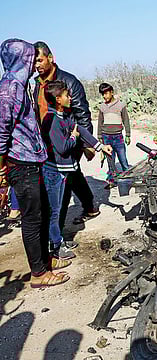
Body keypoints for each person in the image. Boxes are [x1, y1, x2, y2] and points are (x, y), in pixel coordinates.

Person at [0, 38, 70, 288]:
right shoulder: (8, 90)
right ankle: (38, 273)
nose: (33, 62)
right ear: (20, 59)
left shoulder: (21, 85)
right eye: (30, 57)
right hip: (21, 162)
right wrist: (1, 173)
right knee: (32, 218)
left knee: (42, 214)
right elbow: (1, 133)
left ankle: (46, 260)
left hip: (33, 160)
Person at [41, 80, 113, 260]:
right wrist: (74, 138)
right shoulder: (51, 120)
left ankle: (60, 240)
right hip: (54, 172)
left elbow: (80, 129)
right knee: (54, 210)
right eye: (66, 95)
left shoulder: (63, 116)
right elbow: (63, 147)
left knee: (61, 207)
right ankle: (55, 247)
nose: (70, 98)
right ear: (58, 99)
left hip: (65, 171)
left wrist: (100, 147)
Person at [33, 41, 99, 235]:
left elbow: (82, 114)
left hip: (68, 142)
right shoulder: (37, 84)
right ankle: (90, 207)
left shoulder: (69, 82)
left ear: (51, 58)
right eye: (34, 62)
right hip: (47, 143)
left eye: (39, 60)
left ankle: (58, 236)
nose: (37, 65)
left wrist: (88, 145)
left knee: (62, 184)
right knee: (73, 175)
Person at [97, 83, 131, 189]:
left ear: (112, 92)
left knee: (123, 160)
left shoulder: (121, 105)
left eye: (106, 93)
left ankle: (129, 180)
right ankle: (112, 181)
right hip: (106, 137)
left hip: (118, 137)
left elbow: (126, 120)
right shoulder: (102, 107)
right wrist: (99, 136)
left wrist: (128, 135)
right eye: (103, 94)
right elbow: (100, 122)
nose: (105, 96)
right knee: (110, 161)